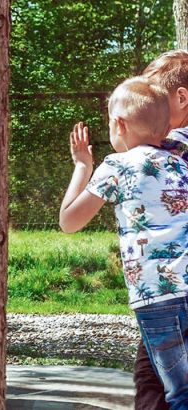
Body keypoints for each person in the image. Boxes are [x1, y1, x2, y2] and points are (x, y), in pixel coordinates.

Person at [60, 76, 188, 409]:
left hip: (159, 297)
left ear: (119, 124)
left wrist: (81, 166)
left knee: (179, 392)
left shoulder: (118, 165)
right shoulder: (181, 163)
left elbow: (69, 221)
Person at [136, 49, 188, 410]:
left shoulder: (171, 147)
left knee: (152, 379)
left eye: (153, 99)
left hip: (169, 292)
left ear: (181, 98)